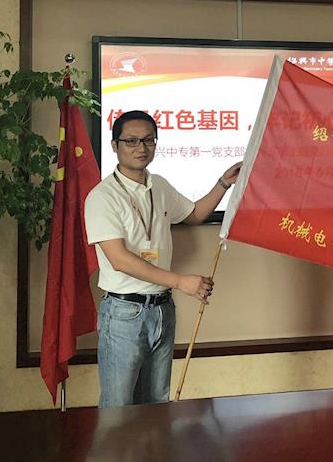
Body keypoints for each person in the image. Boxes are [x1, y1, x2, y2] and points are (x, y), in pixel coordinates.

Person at [84, 110, 241, 406]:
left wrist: (223, 183)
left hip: (162, 308)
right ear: (115, 145)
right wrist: (180, 281)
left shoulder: (159, 185)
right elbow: (119, 259)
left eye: (148, 140)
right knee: (118, 406)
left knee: (156, 403)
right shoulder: (102, 197)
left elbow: (194, 214)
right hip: (124, 312)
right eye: (131, 141)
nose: (141, 148)